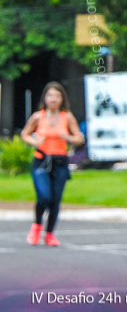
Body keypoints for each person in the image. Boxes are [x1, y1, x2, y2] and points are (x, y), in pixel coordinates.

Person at [20, 81, 84, 247]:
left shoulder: (67, 117)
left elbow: (79, 138)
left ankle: (49, 234)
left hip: (60, 162)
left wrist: (67, 137)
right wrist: (35, 141)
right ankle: (37, 225)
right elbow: (24, 134)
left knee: (55, 199)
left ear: (62, 98)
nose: (53, 99)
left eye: (57, 95)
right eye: (50, 95)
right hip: (41, 160)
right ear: (45, 98)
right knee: (44, 196)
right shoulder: (37, 117)